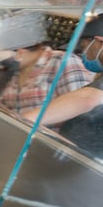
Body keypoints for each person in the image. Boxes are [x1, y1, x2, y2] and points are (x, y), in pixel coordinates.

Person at [21, 14, 103, 157]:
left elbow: (89, 98)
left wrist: (26, 120)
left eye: (84, 47)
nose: (84, 54)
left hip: (87, 168)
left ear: (98, 41)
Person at [0, 38, 93, 118]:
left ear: (20, 51)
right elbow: (2, 108)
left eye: (7, 57)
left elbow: (82, 110)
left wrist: (28, 119)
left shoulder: (63, 61)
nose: (5, 61)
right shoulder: (15, 71)